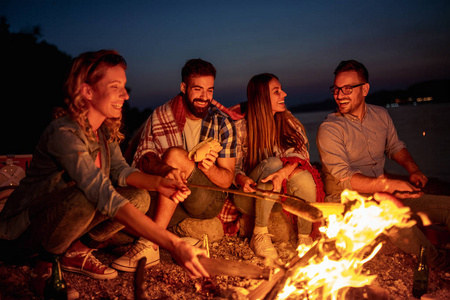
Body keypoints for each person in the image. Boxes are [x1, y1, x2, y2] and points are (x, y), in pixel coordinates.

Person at [0, 50, 209, 298]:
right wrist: (173, 244)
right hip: (20, 237)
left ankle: (75, 252)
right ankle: (43, 269)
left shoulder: (101, 131)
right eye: (115, 87)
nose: (126, 94)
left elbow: (122, 171)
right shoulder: (64, 133)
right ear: (87, 92)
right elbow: (102, 194)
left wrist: (160, 183)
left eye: (123, 86)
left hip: (61, 227)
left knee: (139, 196)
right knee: (85, 197)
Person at [317, 59, 450, 270]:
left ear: (365, 89)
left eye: (347, 88)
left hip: (385, 195)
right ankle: (439, 262)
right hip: (349, 202)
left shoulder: (381, 115)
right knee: (393, 214)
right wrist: (388, 186)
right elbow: (346, 179)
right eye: (336, 89)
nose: (339, 95)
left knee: (447, 207)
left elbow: (395, 147)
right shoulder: (330, 128)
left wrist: (413, 170)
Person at [125, 58, 236, 269]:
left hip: (207, 199)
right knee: (126, 216)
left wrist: (208, 167)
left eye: (210, 90)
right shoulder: (161, 115)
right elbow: (145, 159)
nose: (205, 97)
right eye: (198, 89)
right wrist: (167, 170)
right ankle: (179, 242)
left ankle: (151, 244)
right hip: (171, 194)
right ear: (184, 87)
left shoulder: (222, 122)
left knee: (175, 155)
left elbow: (227, 180)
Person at [232, 73, 324, 260]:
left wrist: (282, 173)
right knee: (274, 163)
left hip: (278, 196)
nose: (284, 94)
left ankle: (304, 238)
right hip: (248, 197)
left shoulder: (287, 122)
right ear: (261, 98)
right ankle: (259, 234)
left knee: (305, 177)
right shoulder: (240, 127)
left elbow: (300, 155)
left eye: (281, 90)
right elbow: (233, 168)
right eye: (277, 92)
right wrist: (242, 178)